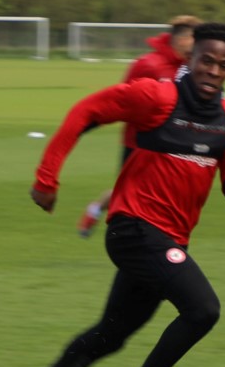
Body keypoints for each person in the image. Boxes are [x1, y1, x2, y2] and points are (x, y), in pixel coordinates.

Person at [7, 22, 225, 367]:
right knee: (203, 309)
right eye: (206, 60)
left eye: (223, 65)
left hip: (170, 240)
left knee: (110, 336)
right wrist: (46, 178)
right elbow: (86, 111)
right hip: (133, 229)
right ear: (190, 59)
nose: (213, 71)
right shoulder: (157, 96)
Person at [77, 15, 202, 238]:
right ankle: (100, 213)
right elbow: (119, 101)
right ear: (182, 39)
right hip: (138, 143)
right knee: (126, 195)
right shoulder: (147, 65)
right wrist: (83, 126)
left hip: (171, 145)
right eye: (196, 39)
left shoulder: (190, 68)